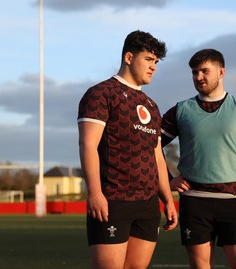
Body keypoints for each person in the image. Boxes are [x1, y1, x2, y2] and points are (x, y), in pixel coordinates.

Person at [161, 49, 236, 269]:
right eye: (194, 72)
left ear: (221, 72)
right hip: (194, 199)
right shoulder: (180, 110)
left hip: (235, 199)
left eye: (205, 71)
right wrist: (169, 178)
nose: (199, 77)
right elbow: (150, 145)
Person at [77, 30, 178, 269]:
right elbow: (88, 145)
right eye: (148, 60)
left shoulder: (152, 106)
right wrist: (94, 192)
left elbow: (157, 157)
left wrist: (168, 200)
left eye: (156, 62)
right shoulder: (101, 94)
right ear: (129, 57)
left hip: (148, 205)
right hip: (113, 200)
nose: (153, 67)